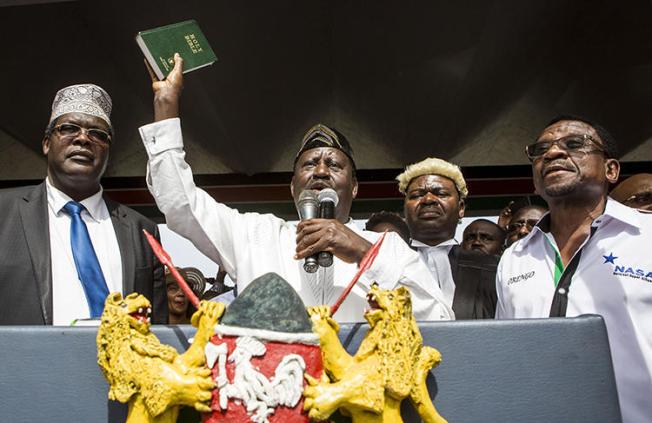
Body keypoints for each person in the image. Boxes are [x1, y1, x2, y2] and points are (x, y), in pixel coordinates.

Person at [137, 54, 452, 322]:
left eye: (335, 165)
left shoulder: (388, 248)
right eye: (309, 164)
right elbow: (181, 203)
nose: (321, 171)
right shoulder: (254, 235)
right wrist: (166, 103)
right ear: (292, 186)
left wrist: (364, 253)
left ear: (355, 188)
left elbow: (438, 318)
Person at [495, 115, 652, 422]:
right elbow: (508, 355)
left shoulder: (647, 237)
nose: (552, 153)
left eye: (574, 144)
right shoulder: (515, 256)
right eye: (541, 150)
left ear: (611, 169)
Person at [0, 84, 166, 325]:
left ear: (108, 152)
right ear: (47, 143)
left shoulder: (142, 231)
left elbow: (157, 330)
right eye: (69, 128)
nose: (83, 138)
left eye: (98, 134)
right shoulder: (4, 213)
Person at [397, 157, 497, 319]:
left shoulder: (493, 267)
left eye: (441, 193)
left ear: (461, 208)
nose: (428, 200)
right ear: (404, 210)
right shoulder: (389, 264)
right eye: (416, 195)